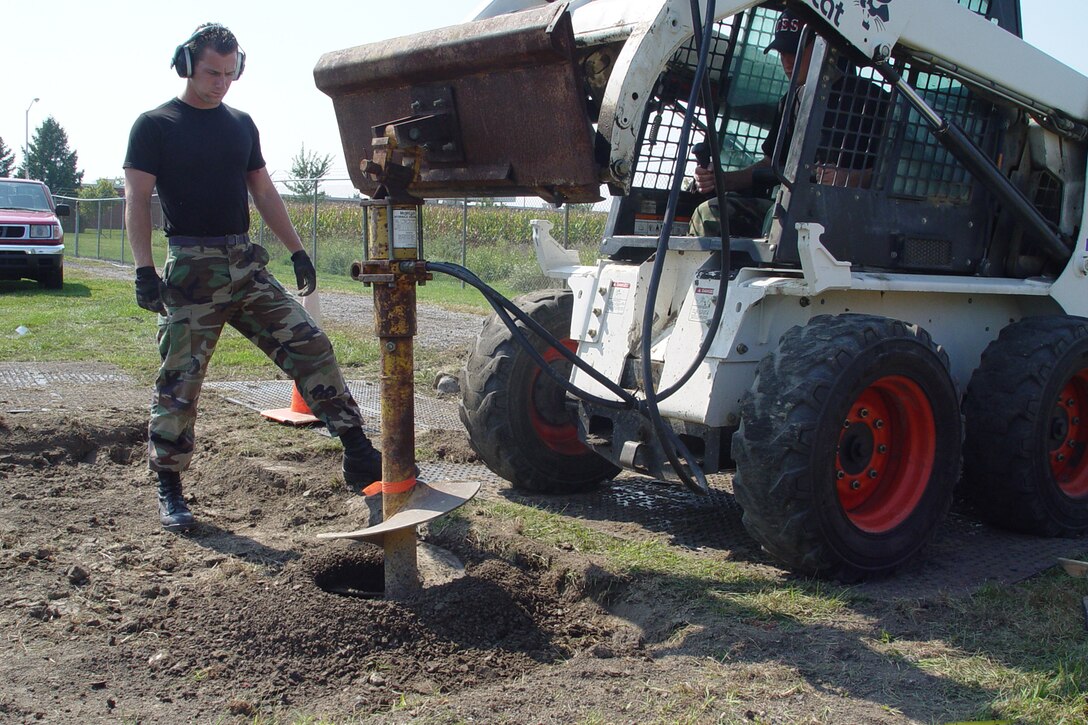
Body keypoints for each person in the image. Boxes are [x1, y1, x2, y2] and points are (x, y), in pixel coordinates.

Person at [124, 23, 383, 533]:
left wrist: (298, 250)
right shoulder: (155, 125)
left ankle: (357, 450)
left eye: (229, 73)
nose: (221, 83)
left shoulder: (240, 123)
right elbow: (136, 199)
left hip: (245, 266)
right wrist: (144, 269)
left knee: (309, 343)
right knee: (180, 381)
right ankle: (170, 487)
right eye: (211, 73)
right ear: (185, 65)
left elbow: (262, 189)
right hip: (191, 272)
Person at [690, 9, 888, 236]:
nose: (787, 61)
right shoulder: (790, 102)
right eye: (782, 51)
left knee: (775, 224)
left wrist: (851, 179)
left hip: (849, 215)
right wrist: (722, 181)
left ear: (824, 45)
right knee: (711, 213)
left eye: (795, 50)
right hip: (793, 209)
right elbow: (771, 165)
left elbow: (897, 172)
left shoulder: (871, 99)